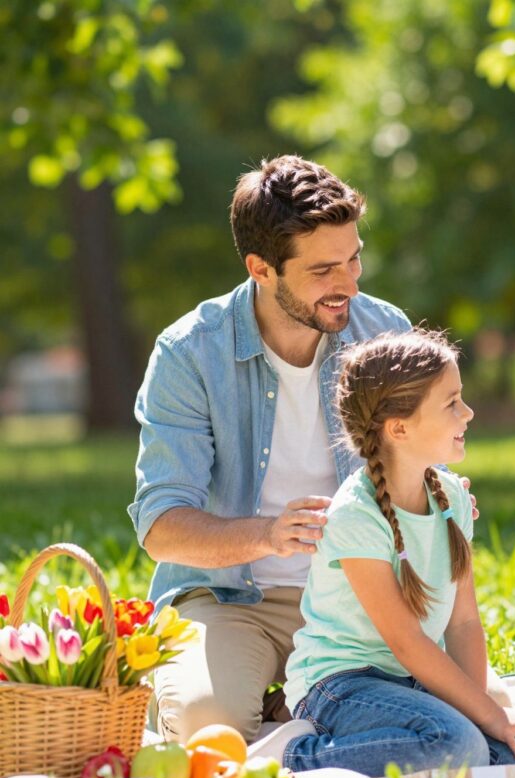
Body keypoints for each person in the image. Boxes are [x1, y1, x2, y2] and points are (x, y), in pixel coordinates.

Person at [129, 155, 413, 744]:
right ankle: (290, 711)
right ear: (261, 268)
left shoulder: (383, 331)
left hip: (359, 595)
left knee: (440, 715)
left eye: (355, 258)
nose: (350, 285)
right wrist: (266, 534)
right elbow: (161, 525)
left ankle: (294, 712)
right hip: (231, 599)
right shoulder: (189, 354)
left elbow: (415, 463)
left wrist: (437, 489)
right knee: (212, 729)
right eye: (324, 270)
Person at [276, 329, 515, 775]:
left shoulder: (451, 498)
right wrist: (486, 717)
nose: (468, 412)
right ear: (399, 428)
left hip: (413, 679)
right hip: (341, 684)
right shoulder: (355, 516)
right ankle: (291, 757)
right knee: (457, 745)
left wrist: (484, 711)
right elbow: (406, 643)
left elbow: (463, 623)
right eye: (451, 403)